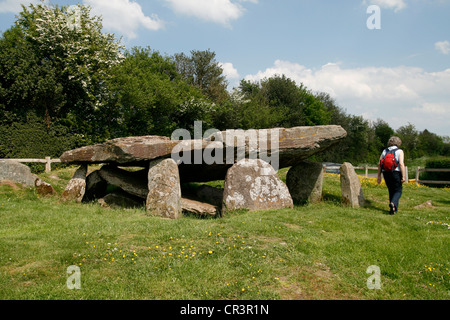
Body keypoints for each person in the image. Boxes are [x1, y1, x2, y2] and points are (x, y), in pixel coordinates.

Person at [377, 136, 406, 215]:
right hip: (396, 172)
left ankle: (392, 210)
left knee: (391, 190)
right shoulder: (399, 151)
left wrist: (379, 176)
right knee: (398, 190)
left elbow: (380, 164)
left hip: (386, 173)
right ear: (398, 143)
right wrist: (403, 176)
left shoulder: (384, 151)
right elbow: (401, 163)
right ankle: (393, 203)